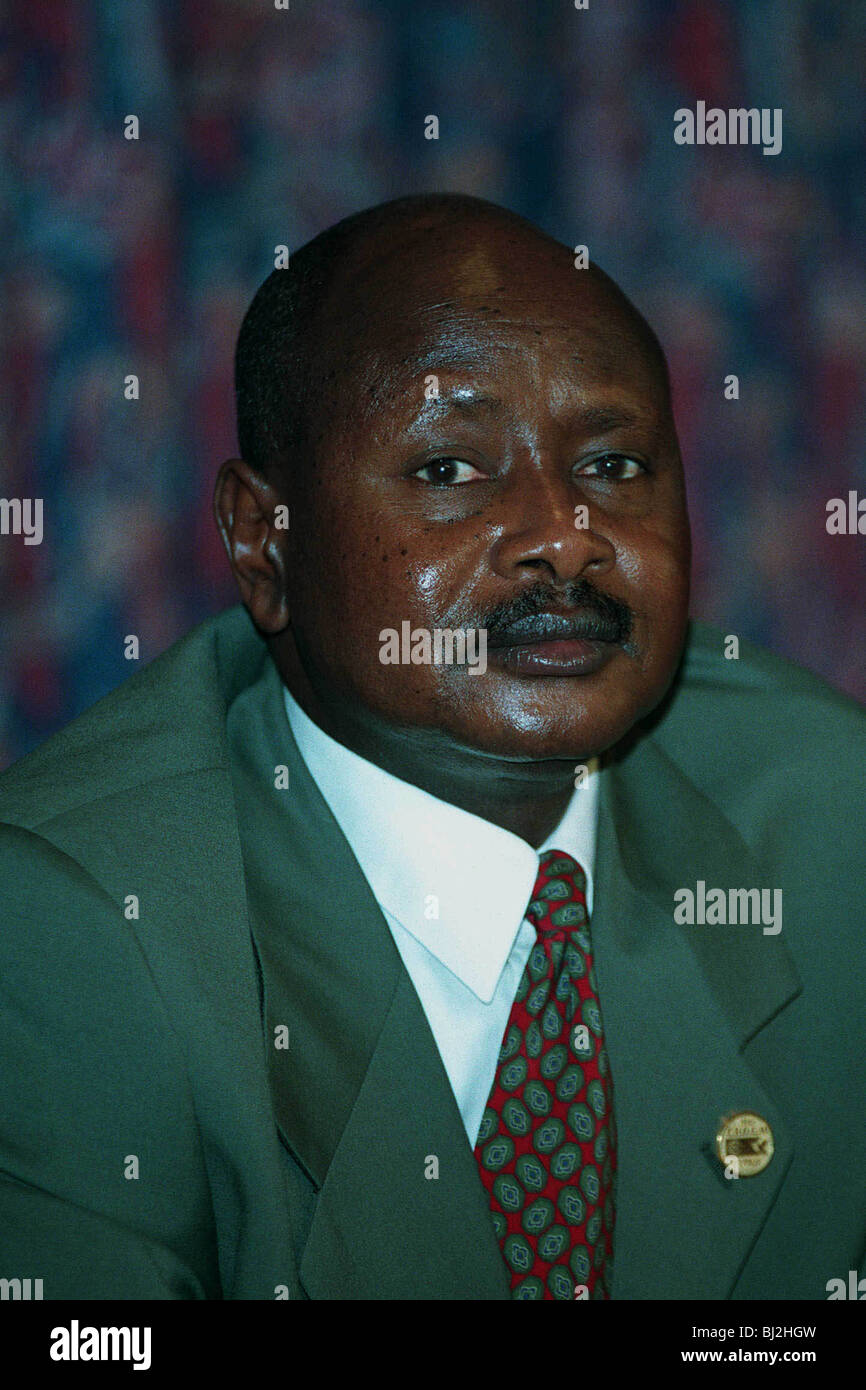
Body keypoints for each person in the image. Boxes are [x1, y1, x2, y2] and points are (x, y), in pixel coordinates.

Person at [0, 194, 863, 1301]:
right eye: (450, 469)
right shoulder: (71, 924)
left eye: (613, 465)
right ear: (265, 544)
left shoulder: (833, 831)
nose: (564, 534)